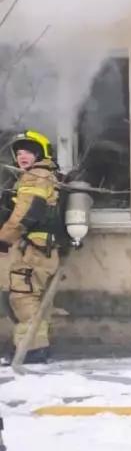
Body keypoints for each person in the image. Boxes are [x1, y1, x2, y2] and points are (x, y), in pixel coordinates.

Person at [1, 129, 63, 366]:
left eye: (28, 152)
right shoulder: (45, 175)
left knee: (22, 296)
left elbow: (23, 213)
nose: (22, 157)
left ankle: (33, 350)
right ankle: (31, 346)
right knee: (29, 298)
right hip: (40, 249)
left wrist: (4, 239)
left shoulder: (36, 175)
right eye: (19, 153)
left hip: (33, 249)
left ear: (40, 154)